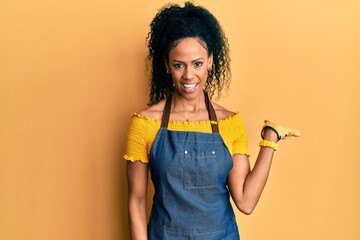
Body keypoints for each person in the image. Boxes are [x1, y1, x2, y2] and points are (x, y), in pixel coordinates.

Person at [125, 2, 300, 239]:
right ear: (167, 65)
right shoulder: (145, 124)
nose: (189, 75)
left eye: (197, 63)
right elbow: (136, 202)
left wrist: (270, 139)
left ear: (209, 61)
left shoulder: (229, 123)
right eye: (179, 65)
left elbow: (246, 202)